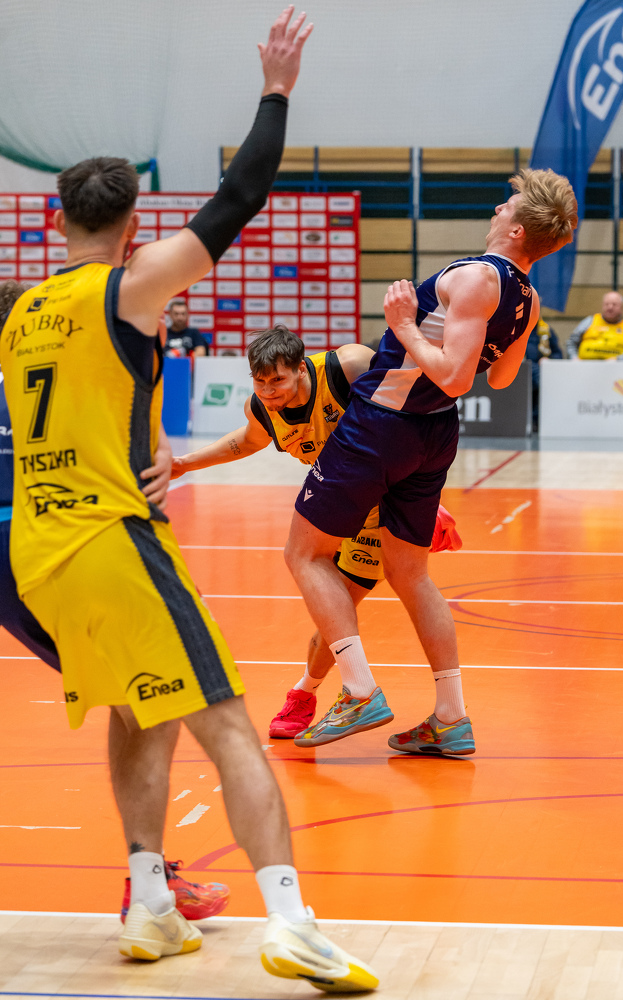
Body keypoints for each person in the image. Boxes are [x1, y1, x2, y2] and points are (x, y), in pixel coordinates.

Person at [0, 9, 378, 991]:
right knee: (228, 721)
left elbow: (80, 404)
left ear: (53, 221)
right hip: (108, 539)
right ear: (132, 228)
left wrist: (151, 443)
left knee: (143, 707)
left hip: (34, 554)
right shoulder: (128, 287)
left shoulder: (21, 310)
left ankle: (150, 903)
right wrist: (276, 89)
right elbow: (241, 194)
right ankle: (291, 921)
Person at [283, 168, 578, 754]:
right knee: (410, 574)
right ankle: (450, 717)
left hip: (382, 423)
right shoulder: (529, 299)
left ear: (518, 230)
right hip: (434, 434)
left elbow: (456, 376)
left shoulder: (477, 277)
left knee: (304, 553)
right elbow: (503, 376)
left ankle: (359, 689)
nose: (498, 208)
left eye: (507, 204)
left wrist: (403, 327)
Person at [0, 279, 230, 923]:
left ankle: (150, 880)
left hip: (17, 552)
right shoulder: (64, 380)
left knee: (135, 703)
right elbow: (124, 472)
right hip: (40, 545)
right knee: (153, 701)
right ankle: (149, 883)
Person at [171, 325, 462, 740]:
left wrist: (425, 499)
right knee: (334, 608)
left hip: (380, 506)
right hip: (338, 500)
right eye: (259, 382)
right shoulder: (262, 408)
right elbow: (247, 442)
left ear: (301, 370)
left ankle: (333, 692)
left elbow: (408, 424)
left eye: (277, 380)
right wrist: (185, 463)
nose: (268, 391)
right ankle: (313, 694)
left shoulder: (350, 366)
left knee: (335, 593)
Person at [567, 291, 623, 360]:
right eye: (607, 304)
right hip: (584, 366)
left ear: (622, 308)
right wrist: (574, 358)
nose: (610, 307)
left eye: (614, 304)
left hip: (617, 368)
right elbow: (571, 343)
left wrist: (619, 360)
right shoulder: (589, 321)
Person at [525, 315, 562, 429]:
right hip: (521, 367)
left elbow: (558, 353)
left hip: (541, 368)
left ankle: (536, 419)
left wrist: (549, 360)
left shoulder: (547, 330)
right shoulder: (516, 328)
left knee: (543, 379)